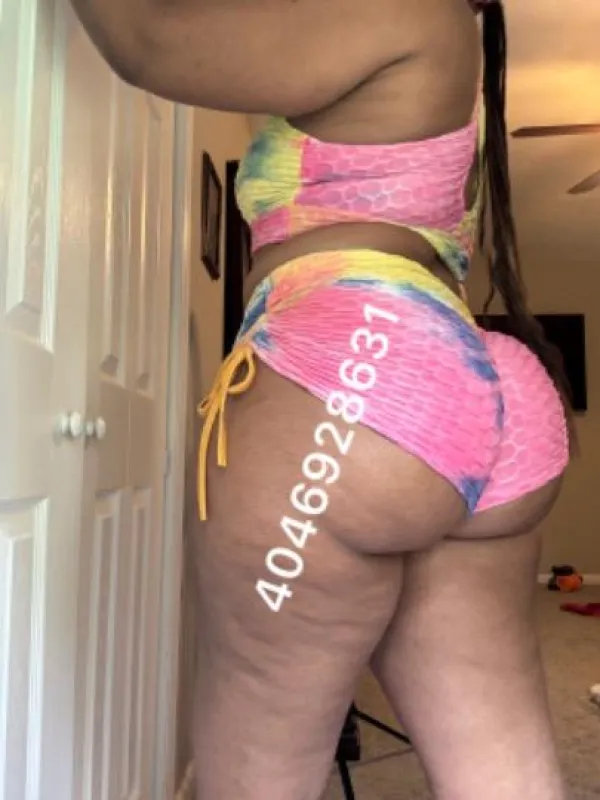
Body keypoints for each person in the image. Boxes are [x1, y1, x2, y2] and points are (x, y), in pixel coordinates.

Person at [71, 0, 572, 797]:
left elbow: (148, 42)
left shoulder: (401, 11)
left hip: (354, 381)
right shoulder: (454, 50)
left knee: (259, 771)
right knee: (501, 773)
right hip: (480, 394)